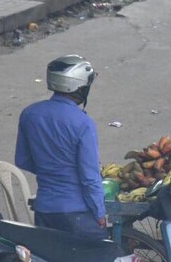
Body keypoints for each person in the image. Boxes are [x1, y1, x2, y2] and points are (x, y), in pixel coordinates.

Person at [15, 55, 107, 239]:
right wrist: (100, 213)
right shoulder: (83, 123)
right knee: (101, 259)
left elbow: (23, 160)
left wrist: (50, 169)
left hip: (44, 210)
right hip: (76, 212)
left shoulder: (30, 114)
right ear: (79, 87)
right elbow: (89, 177)